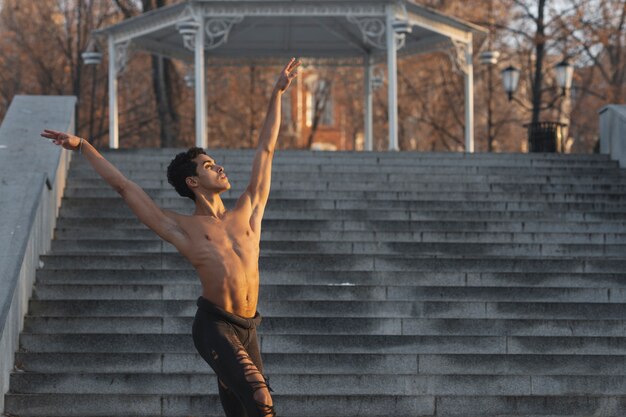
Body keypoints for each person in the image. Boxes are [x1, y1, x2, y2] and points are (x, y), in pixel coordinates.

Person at [40, 57, 301, 417]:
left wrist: (277, 95)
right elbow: (125, 188)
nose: (220, 167)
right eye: (209, 165)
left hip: (248, 327)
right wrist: (84, 145)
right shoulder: (180, 227)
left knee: (243, 411)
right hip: (214, 325)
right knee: (260, 397)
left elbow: (266, 150)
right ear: (192, 182)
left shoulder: (249, 210)